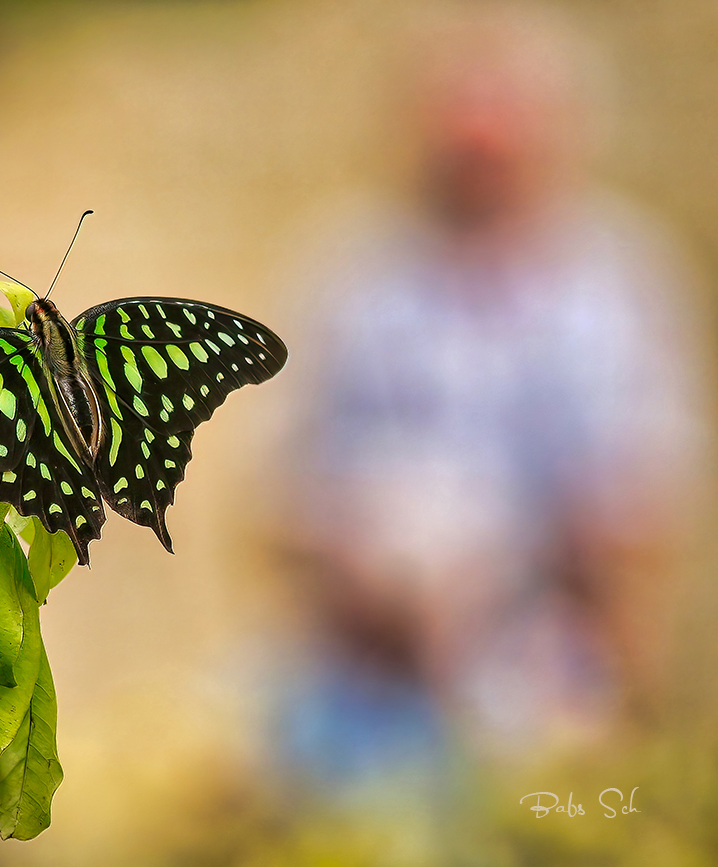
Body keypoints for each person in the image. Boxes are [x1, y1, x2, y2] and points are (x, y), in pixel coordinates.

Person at [277, 8, 707, 795]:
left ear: (553, 137)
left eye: (499, 138)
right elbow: (281, 503)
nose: (477, 158)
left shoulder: (618, 283)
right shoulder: (353, 279)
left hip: (554, 669)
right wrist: (379, 572)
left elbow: (648, 502)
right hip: (366, 679)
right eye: (459, 136)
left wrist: (563, 562)